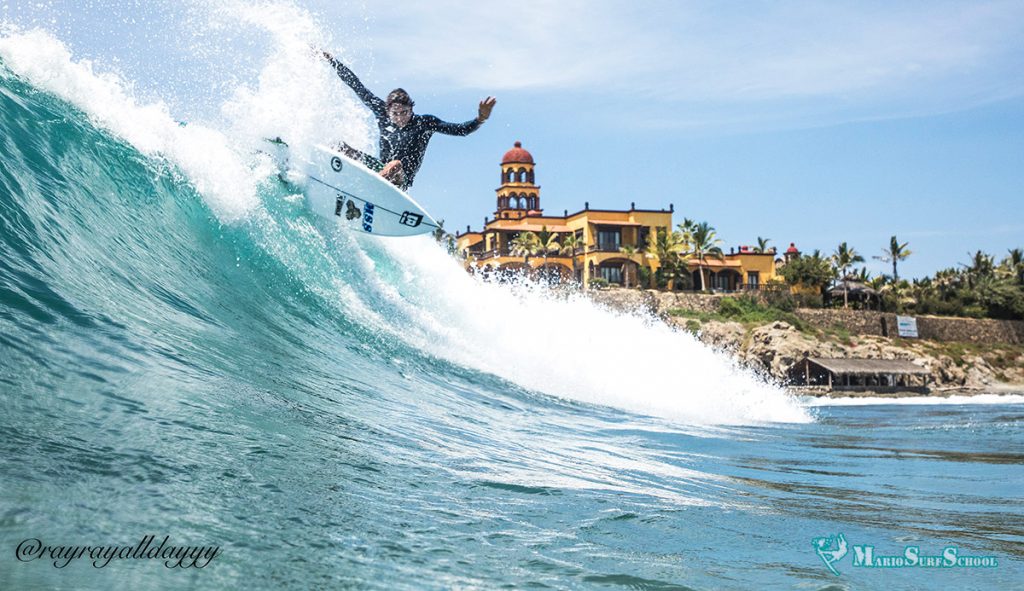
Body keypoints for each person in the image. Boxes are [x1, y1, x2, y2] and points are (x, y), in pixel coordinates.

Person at [321, 51, 496, 190]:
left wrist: (480, 119)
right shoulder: (381, 113)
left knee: (395, 164)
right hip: (378, 168)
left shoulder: (424, 123)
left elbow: (460, 130)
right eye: (395, 114)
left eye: (404, 112)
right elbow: (356, 85)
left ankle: (369, 188)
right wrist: (332, 60)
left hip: (400, 180)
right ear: (388, 110)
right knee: (341, 147)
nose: (400, 118)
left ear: (411, 108)